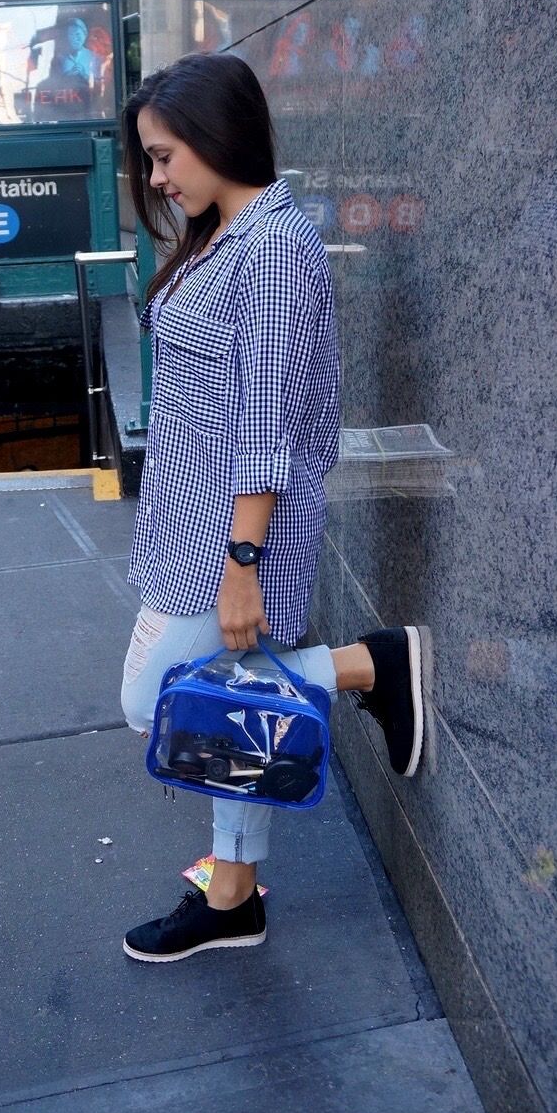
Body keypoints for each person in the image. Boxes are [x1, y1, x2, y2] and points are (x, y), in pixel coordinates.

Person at [120, 52, 428, 963]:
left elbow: (264, 421)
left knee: (159, 700)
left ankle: (369, 666)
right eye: (150, 159)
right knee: (222, 706)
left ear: (218, 137)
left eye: (166, 155)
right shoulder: (223, 232)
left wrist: (242, 563)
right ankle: (233, 896)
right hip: (187, 523)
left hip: (229, 532)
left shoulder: (278, 246)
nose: (157, 178)